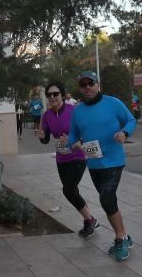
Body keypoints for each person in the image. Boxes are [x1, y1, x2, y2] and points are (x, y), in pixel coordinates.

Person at [66, 70, 137, 262]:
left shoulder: (113, 103)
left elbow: (131, 120)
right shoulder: (78, 110)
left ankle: (120, 238)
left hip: (114, 160)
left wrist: (124, 133)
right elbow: (74, 134)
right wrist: (70, 142)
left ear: (98, 84)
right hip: (94, 163)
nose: (87, 87)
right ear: (80, 88)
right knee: (108, 201)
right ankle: (125, 236)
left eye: (91, 83)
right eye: (83, 84)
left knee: (106, 198)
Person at [35, 80, 99, 238]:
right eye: (49, 95)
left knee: (68, 189)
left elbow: (87, 131)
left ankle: (89, 219)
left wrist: (75, 140)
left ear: (62, 95)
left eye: (55, 94)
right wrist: (42, 136)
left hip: (78, 155)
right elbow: (46, 139)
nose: (52, 97)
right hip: (61, 158)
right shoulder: (47, 115)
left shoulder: (73, 111)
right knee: (71, 189)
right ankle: (91, 219)